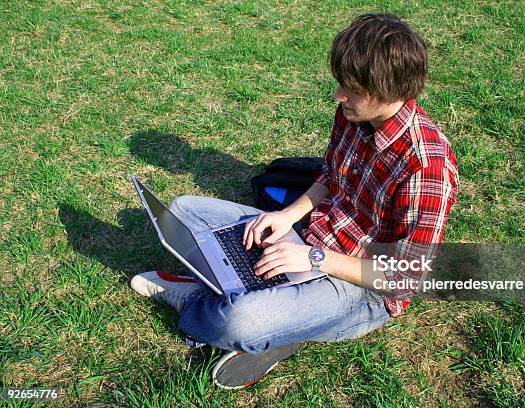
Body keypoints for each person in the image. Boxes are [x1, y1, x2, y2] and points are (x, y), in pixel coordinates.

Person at [130, 12, 459, 389]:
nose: (338, 96)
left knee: (240, 322)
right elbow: (330, 178)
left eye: (350, 88)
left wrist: (314, 259)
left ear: (389, 90)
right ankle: (280, 312)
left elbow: (404, 279)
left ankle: (199, 301)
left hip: (361, 288)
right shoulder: (353, 114)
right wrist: (287, 216)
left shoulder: (426, 168)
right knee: (185, 210)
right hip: (308, 236)